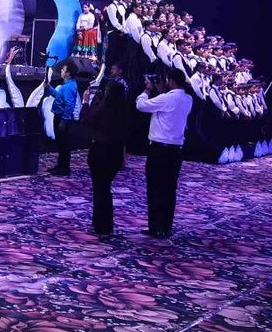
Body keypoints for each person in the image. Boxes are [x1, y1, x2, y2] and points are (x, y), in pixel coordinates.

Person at [135, 69, 192, 238]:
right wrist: (161, 91)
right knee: (170, 188)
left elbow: (141, 105)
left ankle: (155, 227)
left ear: (171, 81)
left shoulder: (167, 98)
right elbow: (168, 106)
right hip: (176, 150)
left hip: (159, 149)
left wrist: (147, 90)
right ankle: (166, 226)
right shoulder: (188, 99)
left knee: (155, 188)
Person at [82, 62, 131, 238]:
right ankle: (104, 224)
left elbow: (86, 120)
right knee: (104, 188)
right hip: (115, 152)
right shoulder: (123, 111)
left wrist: (86, 102)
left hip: (101, 151)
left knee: (100, 189)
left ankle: (101, 225)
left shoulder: (104, 110)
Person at [49, 62, 81, 177]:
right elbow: (59, 97)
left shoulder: (68, 87)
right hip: (61, 116)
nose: (61, 71)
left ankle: (64, 168)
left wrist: (64, 121)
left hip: (62, 117)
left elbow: (69, 105)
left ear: (68, 73)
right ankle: (60, 166)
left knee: (63, 144)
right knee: (61, 143)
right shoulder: (67, 84)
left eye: (63, 70)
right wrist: (49, 88)